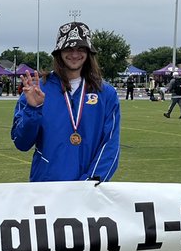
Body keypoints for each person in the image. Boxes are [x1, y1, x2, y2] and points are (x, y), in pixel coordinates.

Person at [11, 22, 120, 181]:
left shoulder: (106, 93)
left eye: (81, 49)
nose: (75, 54)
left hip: (89, 190)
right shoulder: (37, 89)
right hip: (47, 188)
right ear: (59, 52)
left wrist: (91, 181)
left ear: (88, 52)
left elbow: (110, 144)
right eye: (69, 49)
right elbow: (21, 143)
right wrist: (33, 110)